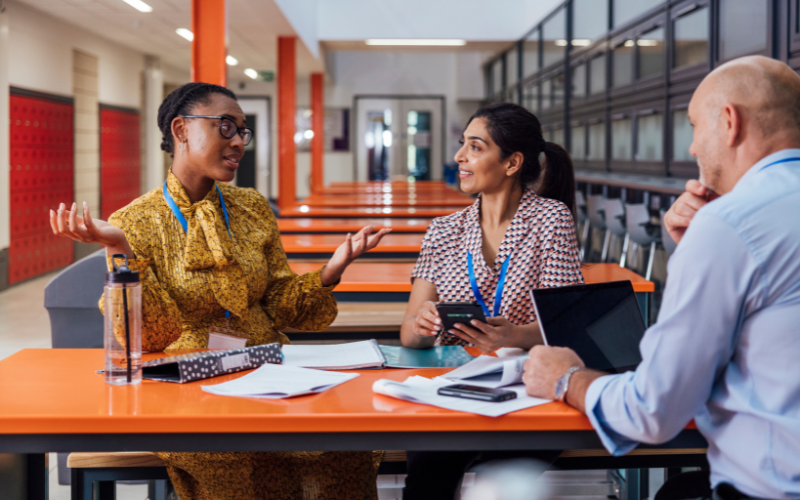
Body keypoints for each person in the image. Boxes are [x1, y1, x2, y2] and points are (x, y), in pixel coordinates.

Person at [49, 82, 389, 500]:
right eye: (225, 127)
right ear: (181, 130)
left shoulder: (251, 207)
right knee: (239, 457)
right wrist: (119, 248)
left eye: (242, 131)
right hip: (186, 388)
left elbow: (281, 305)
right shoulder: (135, 222)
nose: (238, 142)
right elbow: (149, 337)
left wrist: (330, 270)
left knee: (341, 446)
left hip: (266, 371)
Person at [524, 55, 800, 500]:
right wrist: (693, 247)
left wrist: (566, 378)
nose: (692, 149)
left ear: (729, 122)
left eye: (694, 126)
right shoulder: (733, 224)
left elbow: (654, 410)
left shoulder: (731, 224)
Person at [400, 103, 584, 500]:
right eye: (462, 144)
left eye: (475, 147)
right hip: (452, 388)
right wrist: (422, 325)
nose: (459, 157)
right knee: (426, 482)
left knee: (496, 486)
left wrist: (515, 334)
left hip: (527, 387)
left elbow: (565, 328)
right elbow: (410, 336)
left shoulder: (551, 220)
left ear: (512, 162)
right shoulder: (443, 230)